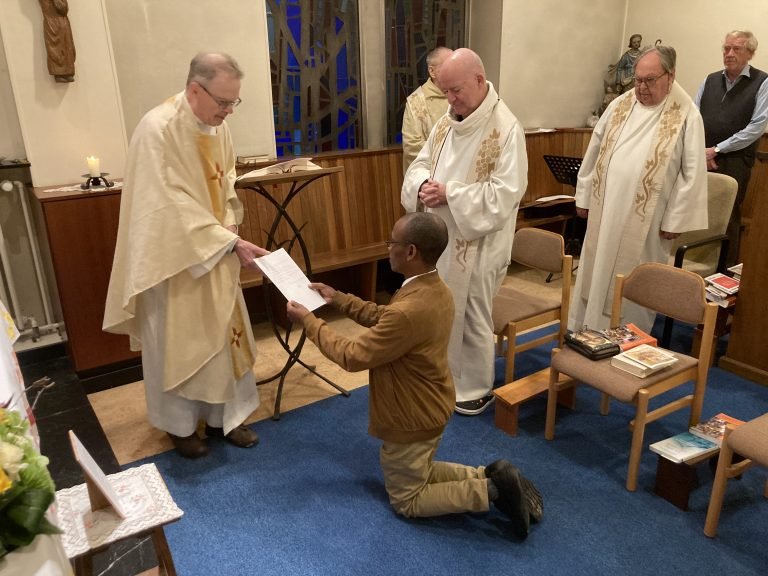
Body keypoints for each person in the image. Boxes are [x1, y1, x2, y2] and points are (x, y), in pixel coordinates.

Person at [285, 212, 542, 539]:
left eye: (392, 242)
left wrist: (309, 321)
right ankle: (490, 475)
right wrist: (338, 299)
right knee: (419, 470)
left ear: (410, 252)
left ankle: (490, 492)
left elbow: (351, 356)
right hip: (430, 402)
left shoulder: (410, 309)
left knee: (408, 498)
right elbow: (384, 317)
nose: (387, 248)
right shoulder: (432, 287)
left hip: (411, 415)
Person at [104, 53, 268, 458]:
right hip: (175, 260)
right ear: (196, 89)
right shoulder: (157, 129)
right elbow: (162, 203)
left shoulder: (217, 127)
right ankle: (179, 427)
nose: (228, 112)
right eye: (223, 103)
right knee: (179, 341)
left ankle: (225, 419)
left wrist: (228, 224)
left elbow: (225, 178)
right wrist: (221, 239)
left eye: (234, 103)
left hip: (216, 249)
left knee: (223, 336)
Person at [401, 48, 528, 416]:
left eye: (456, 90)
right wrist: (423, 182)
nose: (451, 99)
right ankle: (441, 374)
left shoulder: (506, 129)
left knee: (471, 311)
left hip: (479, 241)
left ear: (478, 79)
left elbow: (506, 194)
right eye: (445, 92)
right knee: (440, 306)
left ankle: (473, 386)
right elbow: (421, 161)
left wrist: (450, 194)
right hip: (441, 237)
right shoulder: (446, 121)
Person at [568, 46, 708, 333]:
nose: (641, 88)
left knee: (635, 280)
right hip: (604, 210)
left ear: (670, 77)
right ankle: (585, 332)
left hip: (648, 221)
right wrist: (583, 195)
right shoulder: (620, 105)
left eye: (649, 80)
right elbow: (594, 149)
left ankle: (628, 340)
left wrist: (676, 219)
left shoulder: (686, 116)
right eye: (638, 80)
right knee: (595, 271)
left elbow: (692, 172)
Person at [695, 30, 768, 266]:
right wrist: (702, 150)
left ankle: (722, 275)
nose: (729, 53)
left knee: (727, 217)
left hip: (735, 160)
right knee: (695, 211)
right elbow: (693, 117)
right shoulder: (710, 79)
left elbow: (757, 126)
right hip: (701, 157)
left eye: (736, 49)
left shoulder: (762, 82)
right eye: (726, 48)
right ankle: (695, 266)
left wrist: (717, 150)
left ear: (750, 53)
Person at [401, 47, 452, 172]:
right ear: (432, 71)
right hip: (431, 176)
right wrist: (450, 156)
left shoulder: (461, 95)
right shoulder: (416, 102)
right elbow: (411, 146)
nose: (454, 70)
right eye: (448, 66)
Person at [38, 0, 76, 82]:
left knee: (66, 46)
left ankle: (67, 71)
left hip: (61, 22)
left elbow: (63, 8)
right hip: (53, 22)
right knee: (55, 49)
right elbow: (62, 7)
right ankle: (58, 72)